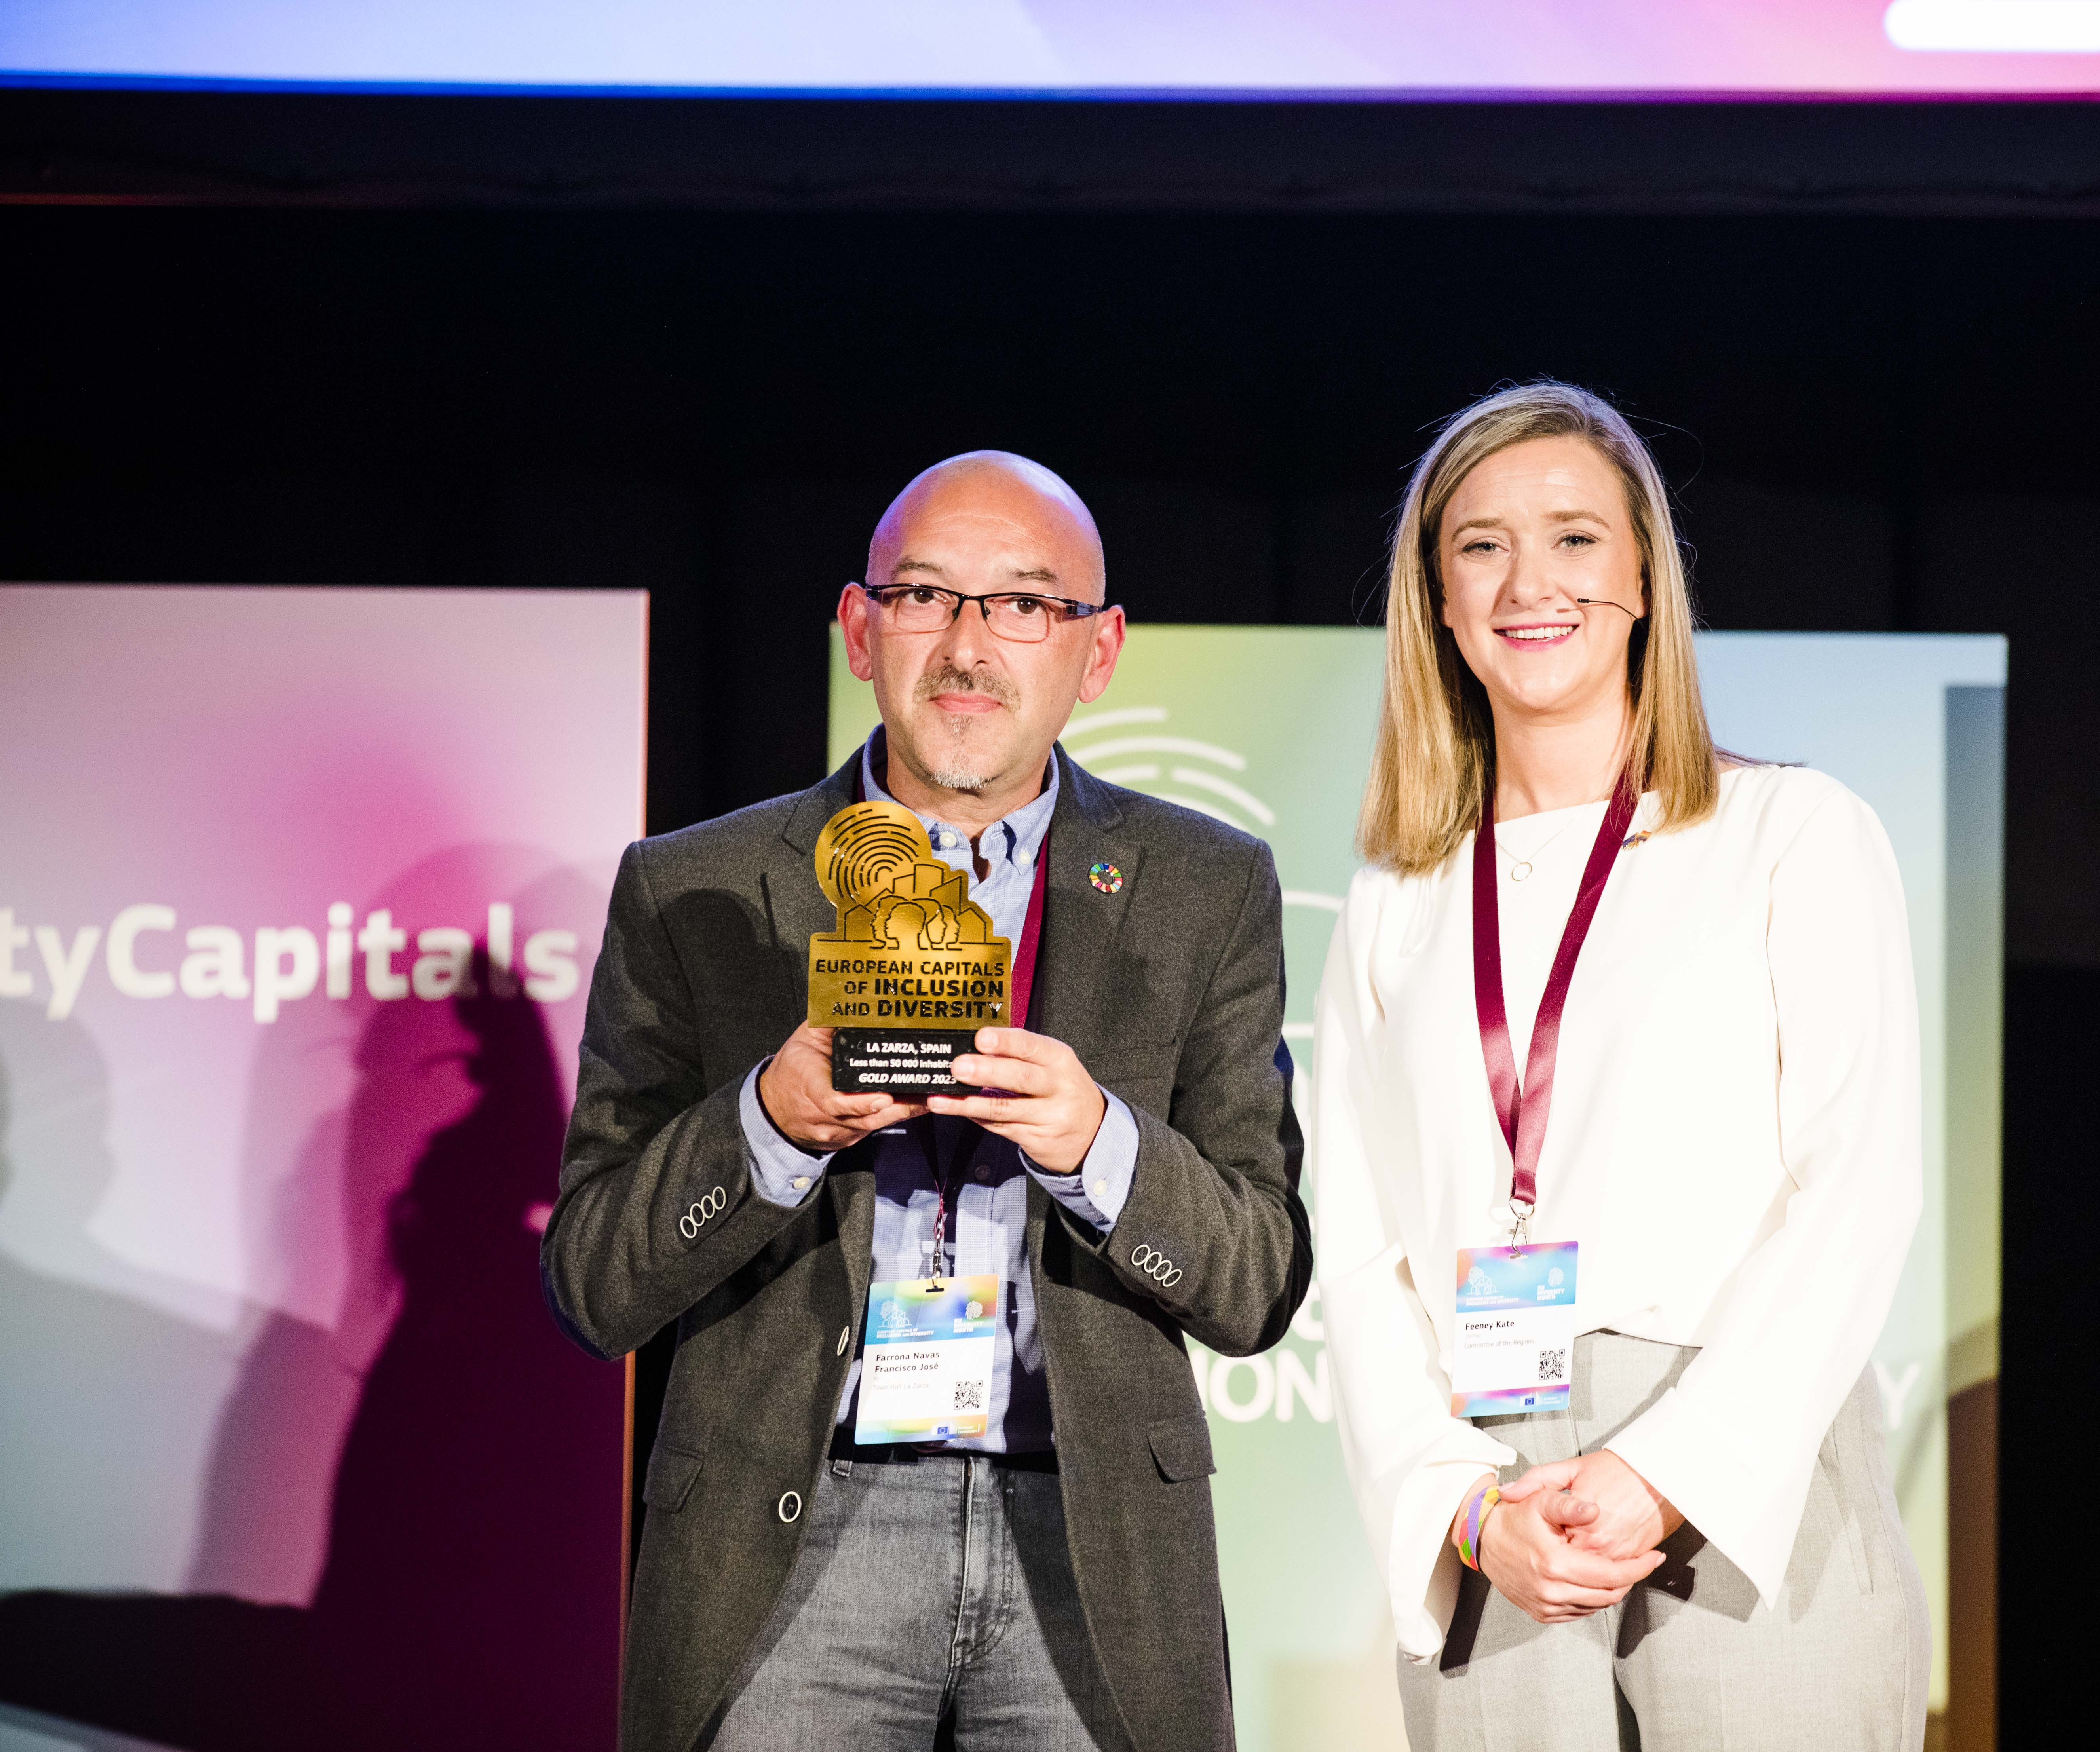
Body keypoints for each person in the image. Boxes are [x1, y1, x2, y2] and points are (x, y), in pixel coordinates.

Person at [542, 452, 1311, 1752]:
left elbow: (1257, 1284)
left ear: (1099, 649)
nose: (969, 644)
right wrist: (767, 1125)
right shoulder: (693, 887)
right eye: (925, 596)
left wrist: (1101, 1146)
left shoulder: (1206, 886)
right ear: (860, 628)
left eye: (1023, 604)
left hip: (1090, 1538)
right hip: (789, 1535)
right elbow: (593, 1282)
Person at [1311, 384, 1928, 1749]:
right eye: (1481, 546)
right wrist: (1464, 1504)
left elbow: (1859, 1188)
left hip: (1741, 1481)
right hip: (1495, 1505)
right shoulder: (1397, 899)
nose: (1531, 581)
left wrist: (1665, 1469)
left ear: (1646, 575)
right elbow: (1351, 1254)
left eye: (1576, 538)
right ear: (1441, 600)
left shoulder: (1794, 832)